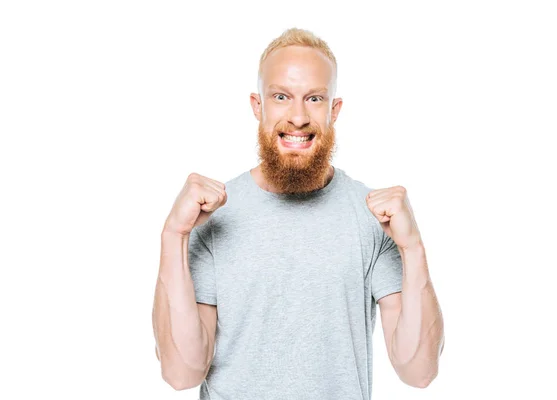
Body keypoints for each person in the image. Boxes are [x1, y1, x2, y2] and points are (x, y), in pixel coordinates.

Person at [152, 27, 445, 399]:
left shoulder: (373, 217)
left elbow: (418, 371)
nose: (298, 117)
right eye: (281, 96)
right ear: (258, 106)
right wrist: (174, 236)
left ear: (334, 110)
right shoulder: (211, 216)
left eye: (315, 99)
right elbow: (181, 373)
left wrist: (414, 248)